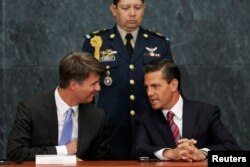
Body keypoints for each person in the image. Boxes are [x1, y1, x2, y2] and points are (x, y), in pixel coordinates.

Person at [82, 0, 173, 159]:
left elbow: (171, 91)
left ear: (144, 8)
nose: (132, 13)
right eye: (125, 8)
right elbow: (85, 92)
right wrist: (86, 132)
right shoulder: (96, 43)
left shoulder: (158, 43)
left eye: (137, 7)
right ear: (113, 9)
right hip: (108, 131)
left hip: (151, 130)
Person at [7, 51, 109, 162]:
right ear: (73, 85)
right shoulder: (31, 109)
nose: (98, 88)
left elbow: (100, 161)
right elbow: (15, 152)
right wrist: (63, 150)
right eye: (93, 84)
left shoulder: (97, 116)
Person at [132, 59, 241, 161]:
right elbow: (138, 150)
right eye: (147, 87)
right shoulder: (144, 118)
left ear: (173, 85)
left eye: (155, 86)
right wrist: (169, 153)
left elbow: (232, 148)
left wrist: (202, 154)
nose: (149, 93)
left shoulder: (206, 113)